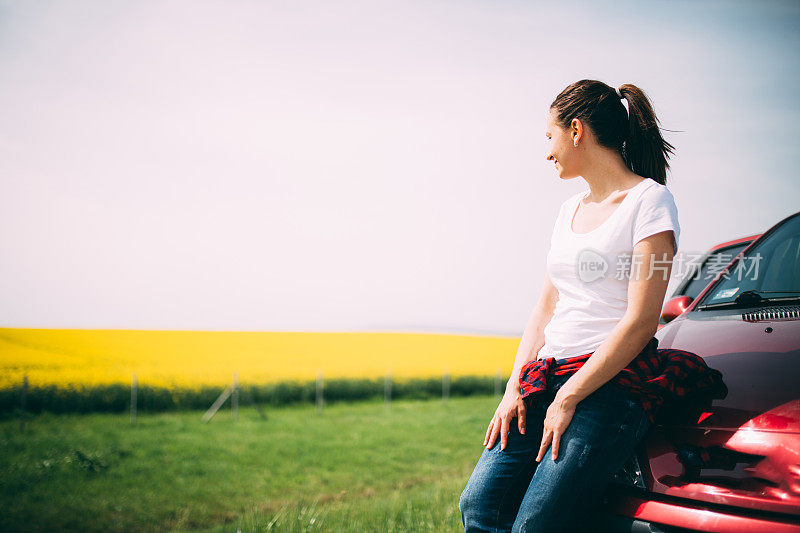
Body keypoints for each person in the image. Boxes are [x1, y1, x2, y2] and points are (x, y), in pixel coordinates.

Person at [458, 80, 719, 532]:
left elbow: (641, 320)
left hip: (609, 388)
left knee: (534, 525)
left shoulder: (650, 201)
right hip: (545, 380)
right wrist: (513, 389)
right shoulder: (567, 211)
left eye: (549, 137)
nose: (547, 152)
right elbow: (544, 310)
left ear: (576, 130)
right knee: (479, 507)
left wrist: (572, 395)